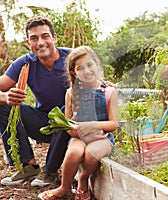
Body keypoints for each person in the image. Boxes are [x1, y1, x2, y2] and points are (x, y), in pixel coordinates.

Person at [38, 46, 118, 200]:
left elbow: (113, 124)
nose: (86, 71)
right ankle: (63, 188)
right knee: (73, 153)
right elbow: (68, 124)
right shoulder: (71, 94)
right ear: (74, 72)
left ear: (96, 64)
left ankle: (83, 179)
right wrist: (73, 129)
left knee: (90, 154)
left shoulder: (109, 92)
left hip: (103, 137)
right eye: (80, 68)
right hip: (79, 136)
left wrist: (93, 125)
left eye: (90, 65)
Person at [0, 16, 72, 186]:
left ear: (54, 38)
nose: (40, 42)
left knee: (65, 109)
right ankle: (28, 166)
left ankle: (50, 171)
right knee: (2, 106)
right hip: (43, 124)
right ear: (28, 42)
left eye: (45, 36)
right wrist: (5, 96)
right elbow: (2, 85)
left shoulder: (72, 57)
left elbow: (98, 83)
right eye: (34, 38)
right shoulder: (25, 63)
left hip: (72, 124)